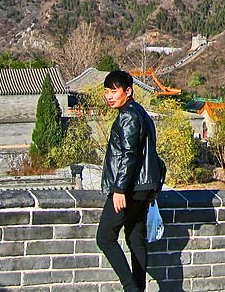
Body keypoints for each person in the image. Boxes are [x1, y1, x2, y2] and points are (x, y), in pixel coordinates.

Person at [95, 70, 166, 292]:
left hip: (130, 188)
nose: (109, 96)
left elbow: (129, 154)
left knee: (105, 237)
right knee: (135, 237)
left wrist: (119, 189)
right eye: (106, 91)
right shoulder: (141, 112)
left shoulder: (128, 116)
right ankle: (139, 289)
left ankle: (132, 288)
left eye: (114, 91)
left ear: (128, 91)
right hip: (143, 188)